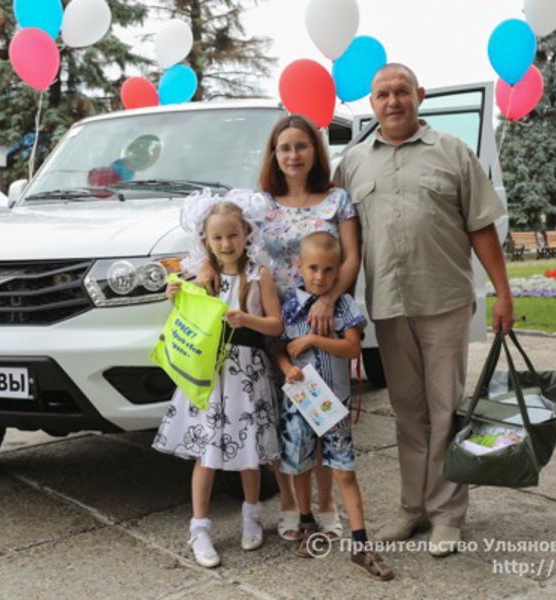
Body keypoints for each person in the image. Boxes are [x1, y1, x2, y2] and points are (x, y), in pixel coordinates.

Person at [335, 63, 515, 557]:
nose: (391, 102)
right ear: (370, 104)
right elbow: (335, 238)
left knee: (446, 409)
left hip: (444, 302)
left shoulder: (452, 153)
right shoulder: (352, 163)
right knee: (407, 411)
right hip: (389, 308)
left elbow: (481, 228)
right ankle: (412, 508)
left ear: (419, 95)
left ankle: (447, 515)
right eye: (381, 95)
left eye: (400, 92)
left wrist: (503, 291)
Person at [197, 115, 361, 541]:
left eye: (301, 146)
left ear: (315, 152)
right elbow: (221, 237)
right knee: (278, 418)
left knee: (323, 412)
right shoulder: (260, 204)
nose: (293, 155)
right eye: (284, 148)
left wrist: (327, 300)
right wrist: (202, 263)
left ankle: (325, 505)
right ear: (274, 154)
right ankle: (290, 505)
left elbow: (351, 259)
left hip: (321, 321)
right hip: (273, 323)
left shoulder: (336, 200)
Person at [152, 193, 284, 568]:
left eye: (233, 236)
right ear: (206, 241)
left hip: (247, 373)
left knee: (249, 455)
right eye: (218, 238)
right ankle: (200, 527)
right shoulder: (199, 276)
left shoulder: (260, 275)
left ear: (246, 234)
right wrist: (175, 296)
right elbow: (188, 322)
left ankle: (252, 514)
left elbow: (276, 324)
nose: (226, 244)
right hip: (211, 375)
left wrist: (248, 320)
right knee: (206, 454)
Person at [276, 231, 393, 581]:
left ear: (338, 270)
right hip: (299, 405)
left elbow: (353, 348)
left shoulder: (342, 305)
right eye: (312, 268)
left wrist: (314, 339)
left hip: (333, 407)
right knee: (300, 465)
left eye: (329, 270)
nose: (320, 277)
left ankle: (360, 544)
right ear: (299, 266)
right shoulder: (290, 305)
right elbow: (280, 348)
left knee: (344, 471)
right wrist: (287, 369)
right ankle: (307, 521)